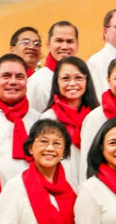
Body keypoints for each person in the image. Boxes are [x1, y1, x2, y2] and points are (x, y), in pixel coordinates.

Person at [0, 53, 40, 182]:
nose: (13, 82)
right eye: (6, 76)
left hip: (31, 195)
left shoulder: (38, 119)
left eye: (20, 77)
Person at [40, 56, 99, 188]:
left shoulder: (97, 117)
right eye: (66, 78)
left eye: (78, 78)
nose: (72, 83)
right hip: (60, 190)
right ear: (57, 82)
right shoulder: (48, 119)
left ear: (87, 81)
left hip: (94, 190)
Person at [29, 21, 79, 112]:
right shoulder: (37, 81)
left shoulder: (84, 77)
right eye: (59, 41)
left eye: (70, 41)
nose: (64, 46)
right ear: (48, 44)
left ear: (77, 45)